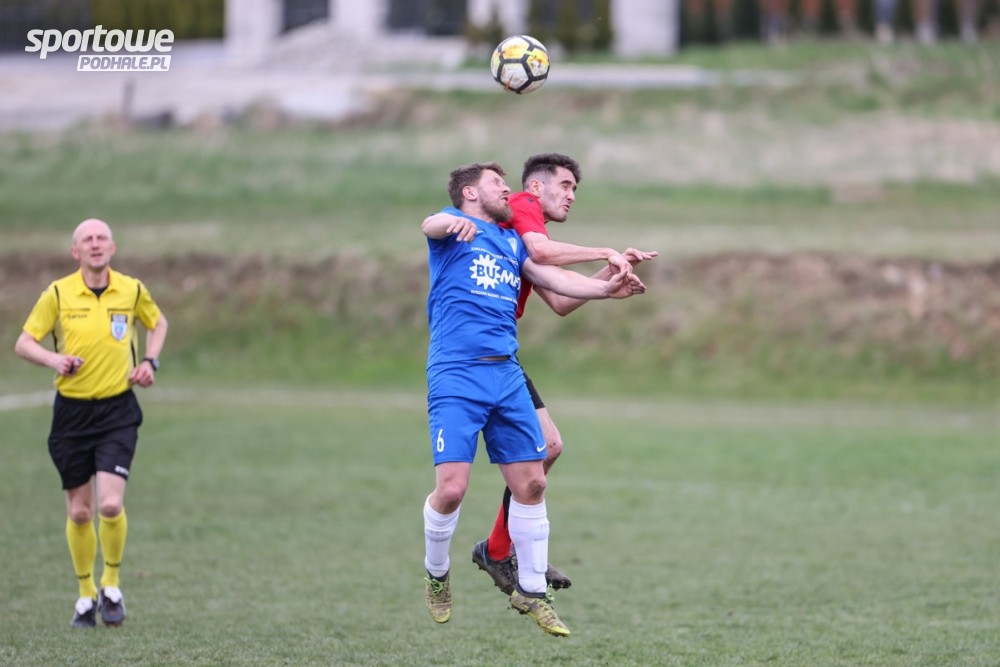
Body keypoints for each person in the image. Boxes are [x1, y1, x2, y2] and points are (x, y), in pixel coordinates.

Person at [420, 161, 646, 637]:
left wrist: (606, 288)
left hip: (505, 372)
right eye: (497, 184)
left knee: (534, 480)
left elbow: (557, 285)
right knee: (452, 489)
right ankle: (437, 574)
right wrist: (449, 223)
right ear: (470, 193)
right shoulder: (455, 226)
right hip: (457, 373)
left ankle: (531, 591)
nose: (507, 190)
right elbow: (430, 224)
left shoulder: (511, 242)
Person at [14, 218, 168, 628]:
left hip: (118, 410)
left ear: (112, 248)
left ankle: (111, 586)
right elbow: (23, 343)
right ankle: (85, 595)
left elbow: (158, 323)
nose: (95, 244)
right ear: (76, 252)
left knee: (110, 504)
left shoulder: (131, 289)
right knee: (81, 512)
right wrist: (55, 359)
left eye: (102, 238)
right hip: (72, 414)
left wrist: (150, 361)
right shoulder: (58, 293)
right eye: (88, 239)